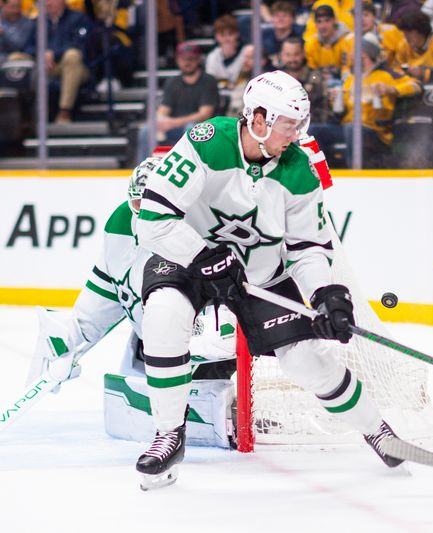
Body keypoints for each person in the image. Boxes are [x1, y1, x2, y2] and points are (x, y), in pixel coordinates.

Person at [134, 69, 405, 490]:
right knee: (164, 316)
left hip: (259, 272)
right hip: (188, 258)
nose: (295, 134)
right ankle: (169, 432)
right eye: (288, 124)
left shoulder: (298, 169)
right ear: (258, 119)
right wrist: (203, 257)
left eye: (299, 124)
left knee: (306, 358)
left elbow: (308, 248)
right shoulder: (206, 143)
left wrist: (326, 293)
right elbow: (153, 219)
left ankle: (378, 430)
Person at [27, 157, 239, 448]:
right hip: (155, 358)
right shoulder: (121, 231)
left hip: (218, 363)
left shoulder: (208, 233)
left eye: (157, 204)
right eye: (140, 205)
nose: (148, 215)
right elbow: (99, 307)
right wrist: (66, 341)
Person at [339, 33, 421, 168]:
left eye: (354, 51)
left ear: (363, 54)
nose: (351, 55)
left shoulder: (387, 75)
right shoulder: (351, 79)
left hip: (376, 131)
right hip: (349, 126)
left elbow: (416, 85)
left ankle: (353, 176)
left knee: (352, 130)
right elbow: (341, 111)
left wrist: (391, 90)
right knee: (316, 131)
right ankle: (316, 180)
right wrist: (336, 98)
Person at [136, 42, 219, 161]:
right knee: (146, 130)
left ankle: (192, 168)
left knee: (191, 129)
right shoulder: (172, 82)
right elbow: (163, 110)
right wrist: (159, 122)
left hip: (202, 129)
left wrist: (172, 123)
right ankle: (144, 168)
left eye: (191, 58)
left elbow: (204, 114)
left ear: (198, 60)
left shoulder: (208, 81)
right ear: (177, 60)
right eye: (183, 59)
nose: (187, 62)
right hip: (176, 128)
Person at [44, 0, 91, 124]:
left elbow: (79, 43)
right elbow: (27, 46)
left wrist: (54, 54)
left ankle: (65, 111)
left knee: (72, 55)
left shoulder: (79, 18)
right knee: (18, 58)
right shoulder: (40, 22)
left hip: (76, 68)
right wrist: (41, 54)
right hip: (46, 66)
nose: (47, 3)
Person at [342, 1, 404, 71]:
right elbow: (346, 68)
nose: (362, 20)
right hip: (364, 78)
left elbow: (404, 58)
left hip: (391, 76)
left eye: (366, 15)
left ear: (374, 17)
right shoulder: (349, 40)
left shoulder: (391, 31)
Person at [394, 10, 433, 83]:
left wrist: (423, 73)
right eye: (404, 32)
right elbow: (397, 69)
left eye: (409, 32)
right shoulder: (403, 45)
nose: (406, 36)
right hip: (412, 88)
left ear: (421, 30)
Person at [205, 14, 252, 88]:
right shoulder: (212, 56)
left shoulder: (247, 53)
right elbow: (210, 82)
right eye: (222, 34)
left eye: (230, 34)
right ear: (216, 36)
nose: (227, 38)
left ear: (237, 34)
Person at [303, 4, 350, 78]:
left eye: (327, 20)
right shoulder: (311, 44)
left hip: (343, 82)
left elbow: (348, 70)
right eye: (319, 21)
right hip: (321, 82)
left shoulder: (348, 40)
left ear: (335, 20)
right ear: (315, 24)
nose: (323, 26)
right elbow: (312, 72)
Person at [261, 1, 304, 70]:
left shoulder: (300, 39)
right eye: (277, 16)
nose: (280, 19)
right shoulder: (264, 38)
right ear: (272, 18)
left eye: (285, 16)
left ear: (293, 19)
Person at [0, 0, 35, 65]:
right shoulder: (2, 20)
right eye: (12, 7)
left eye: (18, 7)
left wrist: (3, 34)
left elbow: (18, 46)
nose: (15, 11)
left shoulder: (27, 24)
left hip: (16, 61)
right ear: (3, 6)